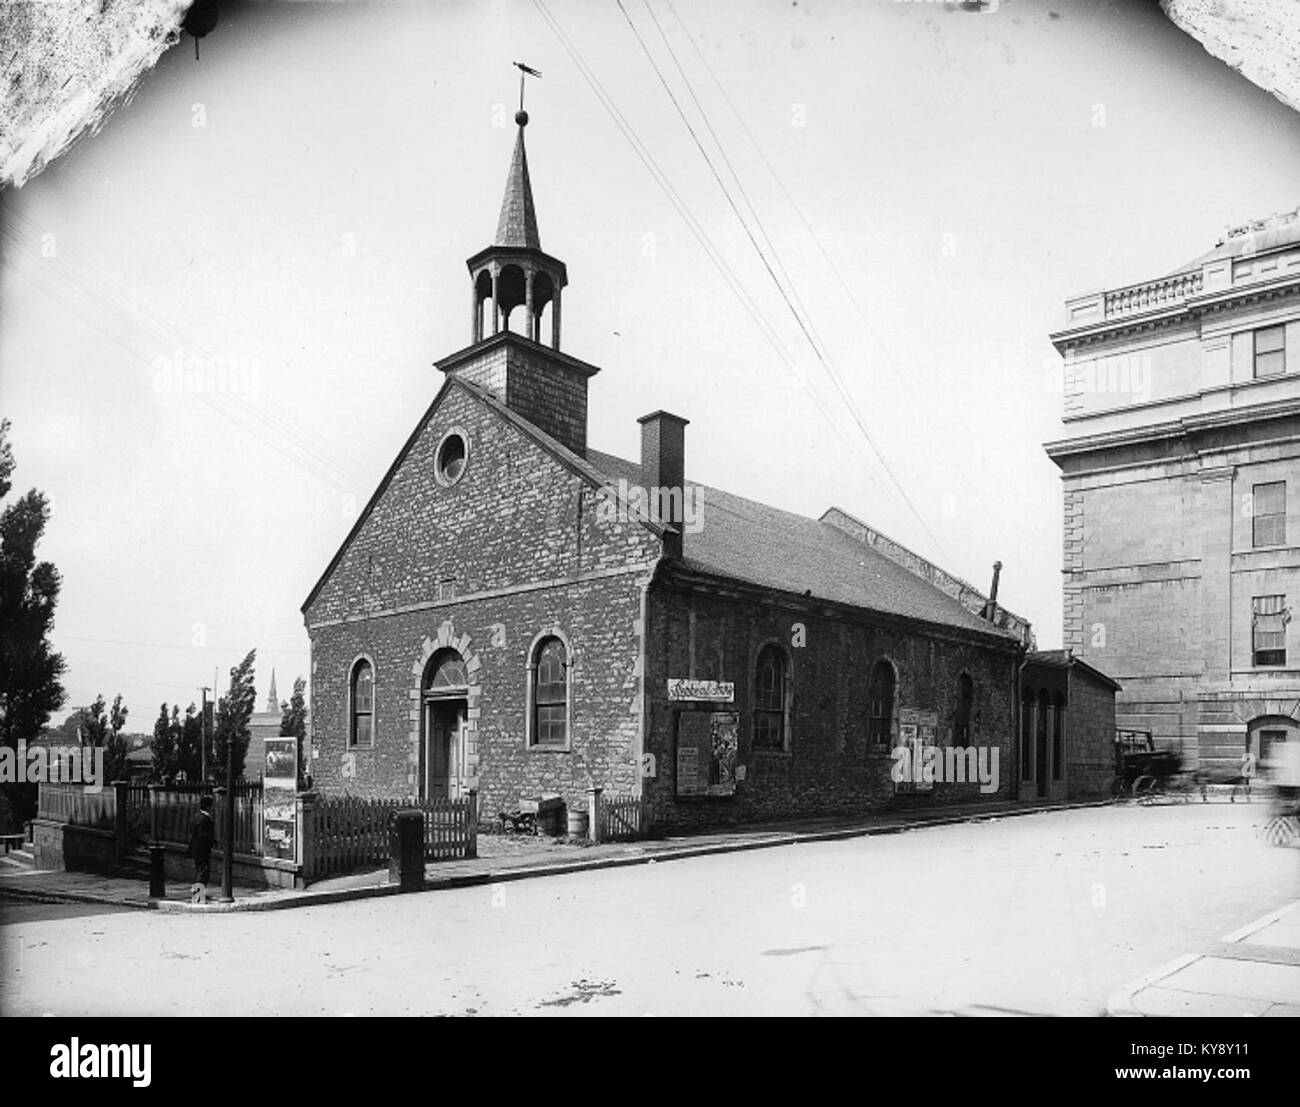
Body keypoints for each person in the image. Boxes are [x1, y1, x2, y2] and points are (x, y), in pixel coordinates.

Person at [187, 795, 215, 886]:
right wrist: (212, 842)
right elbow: (204, 835)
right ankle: (199, 895)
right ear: (208, 807)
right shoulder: (205, 819)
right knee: (203, 871)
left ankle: (199, 893)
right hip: (202, 849)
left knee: (199, 870)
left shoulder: (196, 816)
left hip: (195, 848)